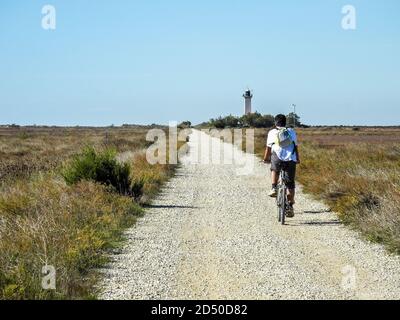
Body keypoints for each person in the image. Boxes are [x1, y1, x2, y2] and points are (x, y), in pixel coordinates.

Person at [263, 114, 300, 218]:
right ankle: (290, 204)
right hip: (290, 158)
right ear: (285, 122)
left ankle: (274, 187)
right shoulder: (291, 131)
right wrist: (297, 158)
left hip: (277, 156)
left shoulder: (272, 132)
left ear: (275, 122)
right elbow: (295, 147)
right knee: (290, 183)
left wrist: (265, 159)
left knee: (274, 169)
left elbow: (268, 148)